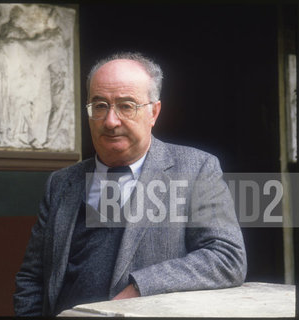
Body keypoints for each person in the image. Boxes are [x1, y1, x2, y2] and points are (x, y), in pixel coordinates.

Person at [13, 52, 247, 316]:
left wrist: (139, 287)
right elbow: (32, 279)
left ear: (154, 112)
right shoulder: (61, 182)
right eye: (99, 106)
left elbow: (226, 257)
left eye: (126, 106)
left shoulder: (195, 169)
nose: (111, 121)